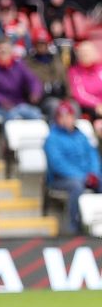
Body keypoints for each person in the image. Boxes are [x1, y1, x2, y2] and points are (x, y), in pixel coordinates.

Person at [45, 100, 100, 235]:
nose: (65, 119)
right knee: (76, 186)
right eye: (61, 116)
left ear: (73, 117)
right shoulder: (52, 138)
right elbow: (57, 164)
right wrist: (82, 177)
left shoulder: (82, 136)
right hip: (61, 179)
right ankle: (74, 227)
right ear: (57, 118)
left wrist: (94, 174)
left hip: (87, 176)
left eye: (68, 116)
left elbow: (93, 156)